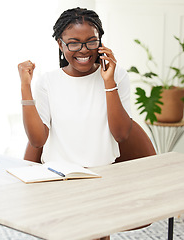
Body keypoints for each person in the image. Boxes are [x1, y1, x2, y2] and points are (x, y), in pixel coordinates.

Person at [18, 8, 133, 239]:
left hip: (102, 178)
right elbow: (37, 140)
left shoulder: (116, 75)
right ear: (60, 45)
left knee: (96, 233)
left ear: (100, 43)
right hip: (58, 179)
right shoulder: (48, 82)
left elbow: (121, 134)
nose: (83, 50)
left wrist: (108, 81)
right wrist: (25, 87)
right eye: (74, 43)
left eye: (91, 42)